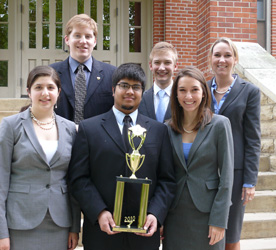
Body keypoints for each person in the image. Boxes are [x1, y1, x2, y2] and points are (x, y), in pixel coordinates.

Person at [68, 63, 176, 250]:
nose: (130, 91)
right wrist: (99, 212)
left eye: (136, 87)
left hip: (143, 233)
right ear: (113, 89)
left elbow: (167, 180)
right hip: (102, 233)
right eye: (124, 85)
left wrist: (155, 214)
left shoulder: (159, 131)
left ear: (143, 91)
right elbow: (78, 178)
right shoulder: (89, 128)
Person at [0, 66, 80, 250]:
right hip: (20, 221)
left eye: (51, 87)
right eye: (38, 87)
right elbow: (1, 180)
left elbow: (73, 180)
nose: (45, 93)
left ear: (58, 92)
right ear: (28, 91)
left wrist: (75, 227)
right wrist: (1, 232)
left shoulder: (70, 129)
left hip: (59, 223)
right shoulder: (11, 126)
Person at [163, 66, 234, 250]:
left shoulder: (220, 124)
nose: (188, 96)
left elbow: (227, 176)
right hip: (174, 214)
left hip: (208, 213)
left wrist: (220, 219)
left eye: (194, 90)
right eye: (182, 90)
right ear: (176, 95)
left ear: (203, 92)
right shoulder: (167, 128)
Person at [207, 37, 261, 250]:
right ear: (210, 58)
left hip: (236, 173)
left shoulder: (250, 92)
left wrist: (250, 180)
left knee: (231, 234)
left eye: (227, 55)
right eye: (217, 55)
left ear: (235, 59)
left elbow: (253, 139)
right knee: (208, 231)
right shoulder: (200, 88)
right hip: (206, 169)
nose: (222, 60)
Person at [50, 14, 116, 124]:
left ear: (94, 41)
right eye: (77, 36)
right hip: (60, 137)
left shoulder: (112, 74)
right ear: (67, 40)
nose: (83, 41)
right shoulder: (51, 73)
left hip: (97, 139)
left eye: (88, 36)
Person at [139, 41, 178, 122]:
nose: (161, 68)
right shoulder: (141, 98)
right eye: (157, 62)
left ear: (175, 66)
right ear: (151, 66)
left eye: (167, 62)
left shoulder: (183, 98)